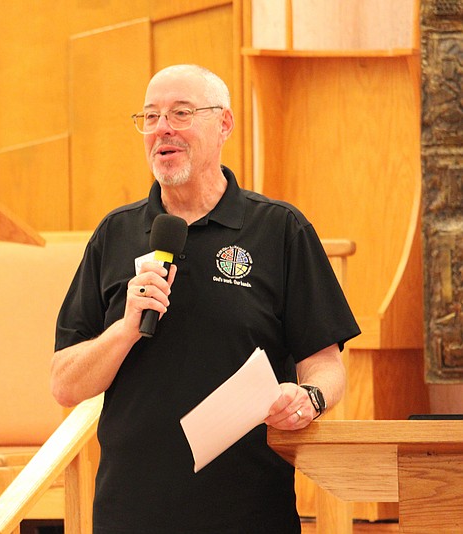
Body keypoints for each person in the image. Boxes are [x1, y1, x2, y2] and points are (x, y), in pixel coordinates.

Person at [50, 64, 360, 533]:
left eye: (180, 112)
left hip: (249, 511)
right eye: (150, 117)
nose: (162, 129)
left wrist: (309, 397)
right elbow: (65, 384)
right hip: (131, 512)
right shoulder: (116, 233)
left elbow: (326, 363)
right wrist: (125, 328)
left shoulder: (279, 230)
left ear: (224, 124)